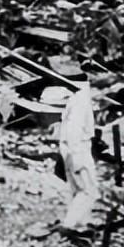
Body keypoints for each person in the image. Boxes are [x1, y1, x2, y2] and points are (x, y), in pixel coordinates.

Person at [46, 82, 100, 230]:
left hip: (71, 146)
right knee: (89, 191)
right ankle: (70, 224)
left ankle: (81, 224)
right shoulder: (81, 100)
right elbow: (74, 129)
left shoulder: (77, 97)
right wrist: (75, 156)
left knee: (78, 189)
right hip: (77, 147)